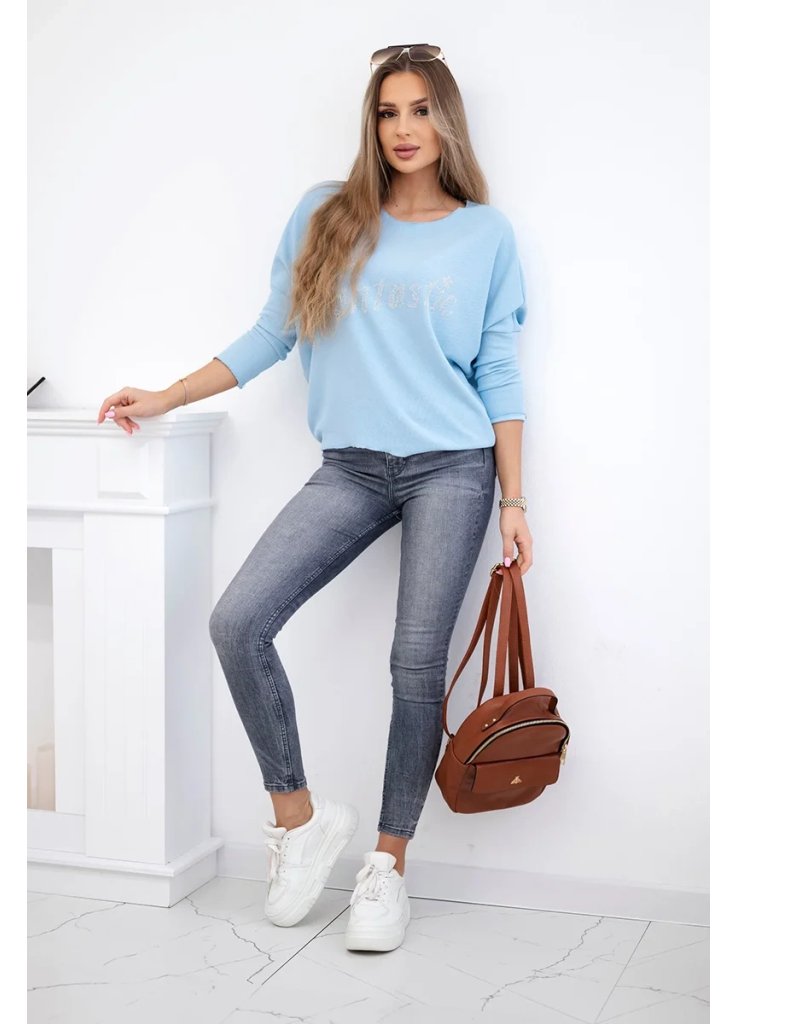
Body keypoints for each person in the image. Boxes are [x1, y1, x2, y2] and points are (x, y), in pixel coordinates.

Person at [95, 43, 533, 953]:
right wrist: (169, 394)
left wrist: (515, 499)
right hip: (353, 465)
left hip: (453, 466)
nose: (403, 129)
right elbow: (273, 333)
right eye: (387, 112)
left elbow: (497, 367)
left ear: (447, 121)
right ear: (371, 123)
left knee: (415, 666)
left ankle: (387, 867)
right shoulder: (327, 214)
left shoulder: (486, 235)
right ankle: (299, 821)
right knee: (238, 621)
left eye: (420, 111)